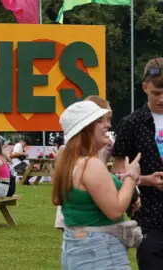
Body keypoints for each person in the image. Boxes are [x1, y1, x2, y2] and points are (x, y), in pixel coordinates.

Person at [53, 100, 141, 269]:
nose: (107, 125)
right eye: (99, 121)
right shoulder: (91, 165)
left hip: (77, 246)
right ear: (85, 130)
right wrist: (131, 176)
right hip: (100, 251)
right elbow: (115, 210)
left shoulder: (70, 163)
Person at [111, 57, 163, 269]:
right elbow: (117, 174)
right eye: (156, 93)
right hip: (148, 217)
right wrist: (146, 180)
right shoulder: (131, 124)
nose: (162, 99)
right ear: (144, 87)